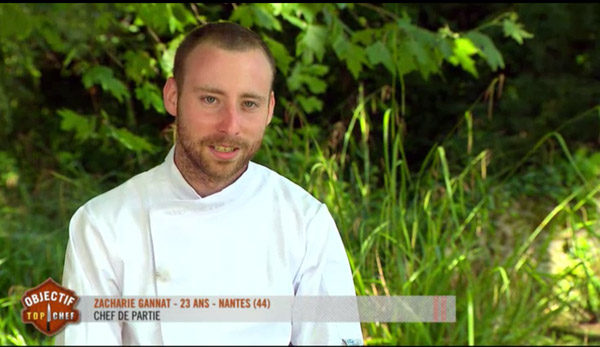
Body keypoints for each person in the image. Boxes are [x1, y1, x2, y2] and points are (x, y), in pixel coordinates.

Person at [55, 22, 363, 345]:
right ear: (173, 97)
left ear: (270, 110)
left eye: (249, 104)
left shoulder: (306, 224)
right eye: (211, 100)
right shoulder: (102, 226)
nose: (230, 126)